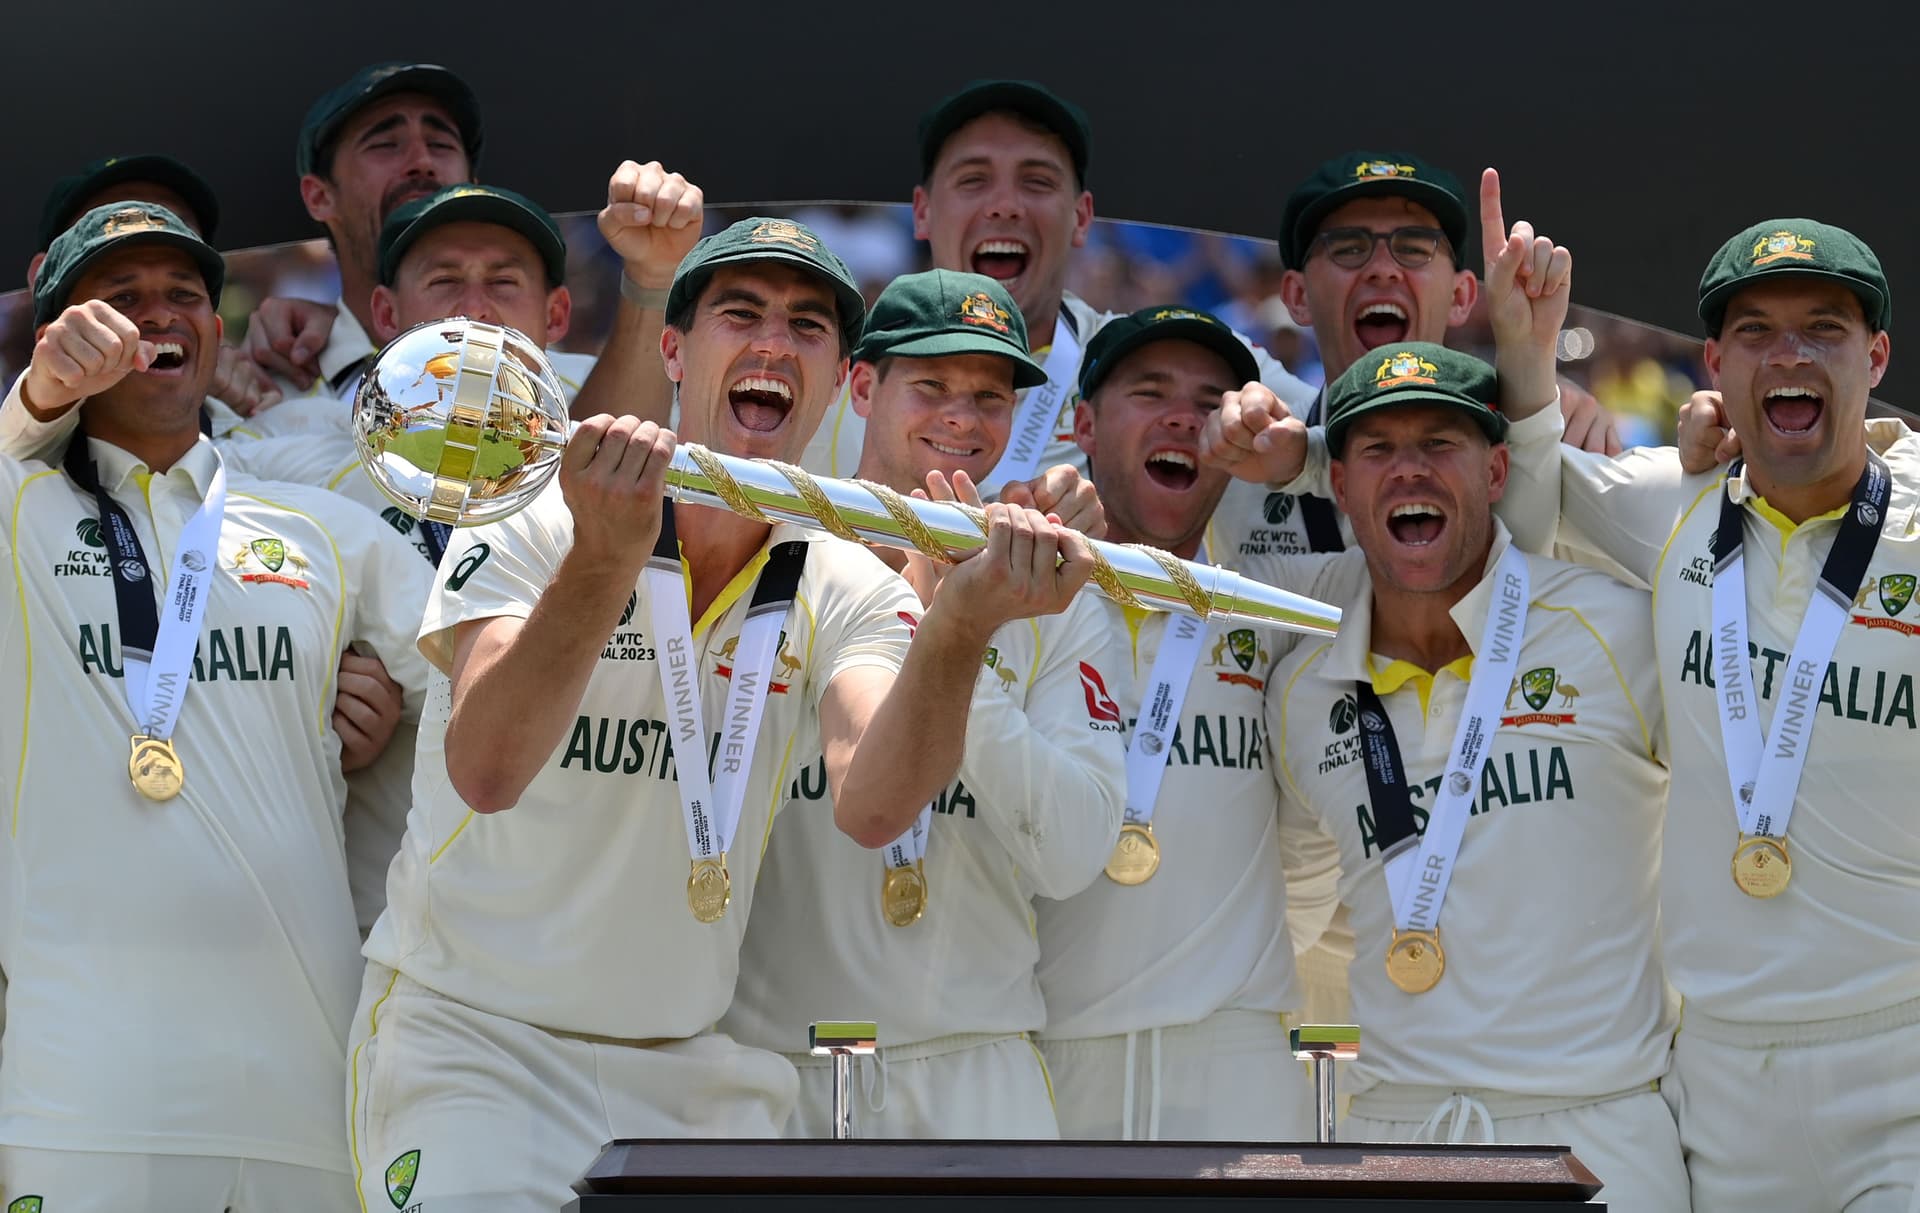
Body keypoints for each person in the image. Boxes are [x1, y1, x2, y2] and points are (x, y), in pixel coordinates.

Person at [346, 218, 1100, 1207]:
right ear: (673, 347)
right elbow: (485, 768)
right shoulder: (542, 511)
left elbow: (874, 803)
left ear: (838, 381)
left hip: (690, 1074)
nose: (774, 345)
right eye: (740, 313)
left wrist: (960, 625)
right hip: (478, 1046)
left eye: (807, 327)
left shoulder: (842, 575)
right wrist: (603, 561)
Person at [0, 202, 431, 1210]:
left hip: (307, 1092)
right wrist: (36, 395)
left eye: (183, 295)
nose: (157, 315)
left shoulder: (324, 530)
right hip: (85, 1101)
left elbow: (498, 675)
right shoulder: (17, 511)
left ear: (217, 329)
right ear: (61, 329)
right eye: (120, 299)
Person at [1493, 215, 1920, 1212]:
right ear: (1716, 364)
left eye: (1824, 328)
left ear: (1877, 356)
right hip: (1717, 1086)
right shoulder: (1669, 504)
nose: (1792, 354)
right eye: (1759, 332)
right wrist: (1526, 344)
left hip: (1903, 1064)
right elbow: (1509, 494)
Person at [1260, 336, 1684, 1210]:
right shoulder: (1301, 685)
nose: (1409, 472)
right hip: (1394, 1138)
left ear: (1496, 470)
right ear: (1338, 485)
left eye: (1439, 444)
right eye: (1378, 449)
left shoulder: (1620, 627)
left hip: (1598, 1133)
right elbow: (1295, 905)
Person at [725, 269, 1126, 1139]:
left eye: (990, 395)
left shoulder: (1053, 591)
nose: (963, 417)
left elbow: (1073, 853)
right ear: (862, 387)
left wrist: (964, 635)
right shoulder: (771, 555)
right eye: (932, 385)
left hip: (978, 1069)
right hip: (769, 1067)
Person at [1032, 305, 1337, 1141]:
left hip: (1238, 1059)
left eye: (1211, 402)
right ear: (1083, 426)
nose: (1182, 417)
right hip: (1050, 1050)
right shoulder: (1020, 601)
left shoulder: (1277, 608)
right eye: (1151, 391)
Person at [798, 79, 1319, 496]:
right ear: (922, 211)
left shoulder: (1167, 359)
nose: (1005, 205)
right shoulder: (837, 365)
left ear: (1081, 217)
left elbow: (1346, 435)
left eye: (1037, 181)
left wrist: (1293, 458)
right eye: (973, 179)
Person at [26, 152, 281, 425]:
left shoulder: (277, 388)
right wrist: (37, 406)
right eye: (113, 223)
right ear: (43, 277)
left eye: (176, 224)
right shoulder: (17, 443)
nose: (147, 224)